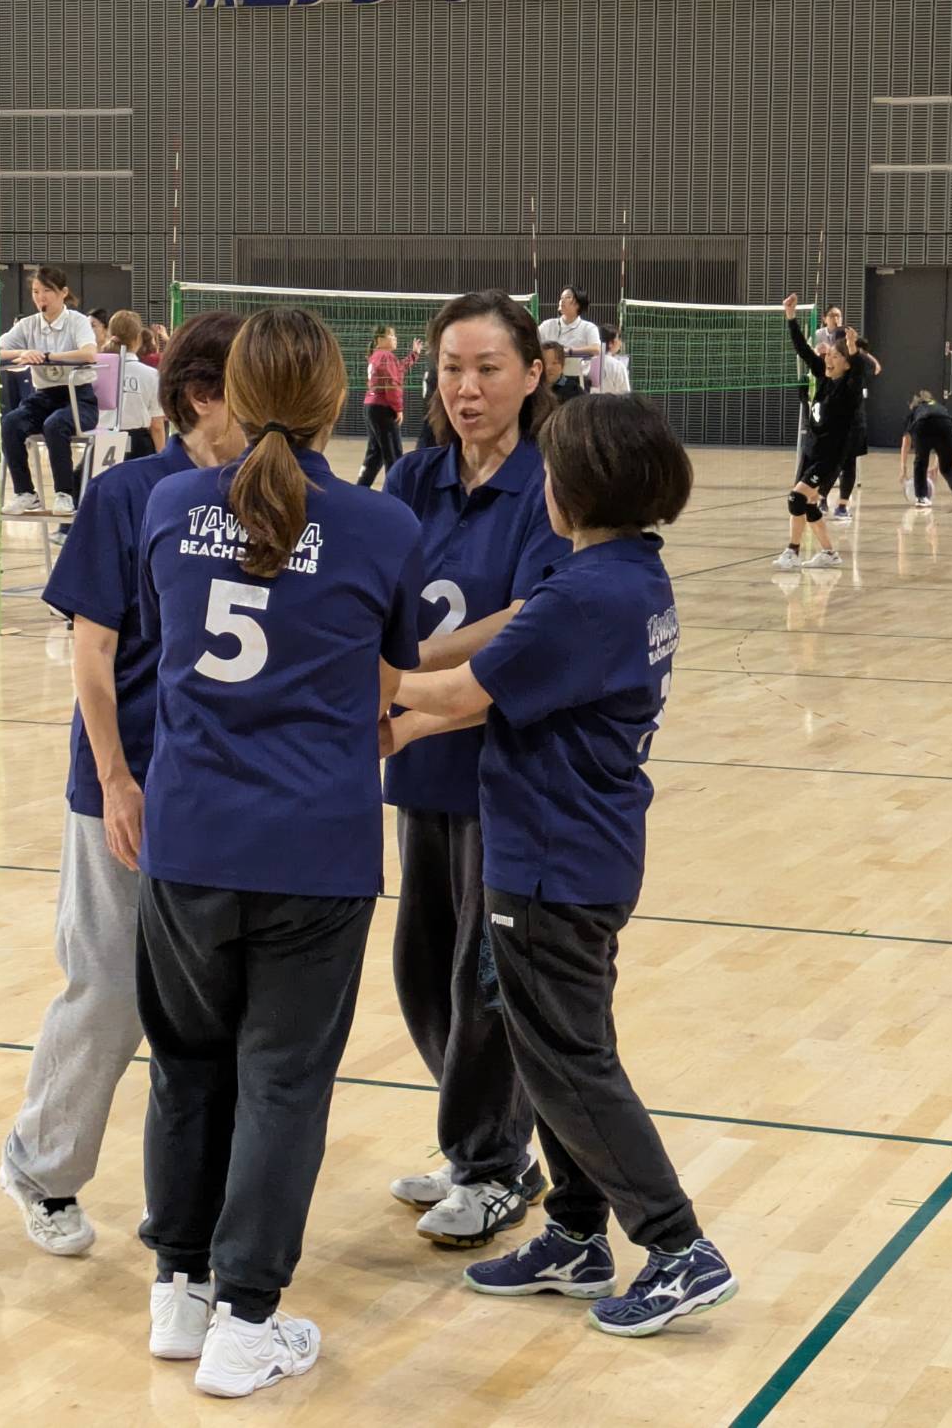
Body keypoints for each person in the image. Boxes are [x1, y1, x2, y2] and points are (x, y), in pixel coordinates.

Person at [385, 393, 737, 1338]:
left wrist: (371, 680)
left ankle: (678, 1245)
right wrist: (404, 725)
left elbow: (464, 687)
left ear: (571, 490)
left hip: (549, 861)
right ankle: (577, 1232)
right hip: (586, 849)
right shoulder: (628, 575)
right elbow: (496, 694)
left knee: (571, 1061)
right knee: (550, 1053)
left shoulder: (580, 596)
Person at [135, 307, 423, 1399]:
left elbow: (172, 639)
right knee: (283, 1081)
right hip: (314, 846)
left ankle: (179, 1290)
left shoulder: (169, 505)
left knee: (185, 1064)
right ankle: (246, 1320)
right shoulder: (381, 526)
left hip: (189, 839)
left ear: (236, 395)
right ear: (337, 401)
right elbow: (388, 686)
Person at [0, 311, 246, 1258]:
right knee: (107, 983)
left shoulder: (270, 496)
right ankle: (41, 1166)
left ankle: (195, 1198)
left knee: (213, 1004)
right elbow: (92, 650)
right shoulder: (128, 495)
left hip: (226, 788)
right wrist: (114, 776)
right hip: (128, 776)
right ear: (203, 397)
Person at [382, 290, 569, 1247]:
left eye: (488, 368)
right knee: (421, 969)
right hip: (420, 762)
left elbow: (530, 619)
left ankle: (491, 1162)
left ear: (532, 374)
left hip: (504, 768)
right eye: (452, 368)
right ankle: (486, 1144)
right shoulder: (411, 478)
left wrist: (408, 671)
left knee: (480, 976)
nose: (466, 388)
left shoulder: (549, 485)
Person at [774, 292, 870, 571]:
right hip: (812, 451)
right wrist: (791, 316)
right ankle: (829, 553)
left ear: (846, 363)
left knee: (796, 498)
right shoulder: (825, 377)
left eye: (836, 356)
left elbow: (859, 372)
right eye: (830, 354)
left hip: (829, 457)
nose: (829, 358)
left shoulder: (849, 390)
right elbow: (804, 350)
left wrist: (852, 349)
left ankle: (792, 552)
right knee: (809, 505)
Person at [0, 265, 99, 516]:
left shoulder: (77, 321)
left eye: (47, 291)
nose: (40, 297)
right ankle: (25, 493)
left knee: (55, 425)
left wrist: (48, 356)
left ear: (63, 292)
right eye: (35, 291)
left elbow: (89, 353)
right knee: (11, 422)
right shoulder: (28, 325)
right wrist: (24, 352)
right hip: (43, 397)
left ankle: (64, 494)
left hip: (78, 398)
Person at [822, 337, 882, 522]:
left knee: (848, 464)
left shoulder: (858, 371)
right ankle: (822, 499)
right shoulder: (833, 371)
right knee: (832, 464)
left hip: (853, 425)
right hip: (834, 425)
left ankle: (841, 506)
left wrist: (855, 350)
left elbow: (875, 367)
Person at [358, 323, 423, 486]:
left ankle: (361, 486)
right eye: (392, 335)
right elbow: (392, 384)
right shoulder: (386, 356)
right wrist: (398, 409)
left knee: (376, 453)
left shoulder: (376, 356)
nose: (395, 338)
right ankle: (395, 492)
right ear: (380, 339)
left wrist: (414, 354)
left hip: (371, 406)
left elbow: (398, 369)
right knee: (393, 453)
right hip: (383, 409)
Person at [102, 310, 167, 457]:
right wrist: (162, 457)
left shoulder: (97, 370)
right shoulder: (151, 375)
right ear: (138, 338)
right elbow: (156, 425)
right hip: (139, 445)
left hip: (103, 440)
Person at [902, 391, 952, 509]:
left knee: (920, 463)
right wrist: (936, 465)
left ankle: (921, 497)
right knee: (948, 466)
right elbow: (939, 436)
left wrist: (903, 466)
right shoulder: (938, 407)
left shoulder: (916, 410)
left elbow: (906, 440)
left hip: (923, 424)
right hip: (945, 424)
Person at [537, 287, 601, 387]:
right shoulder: (547, 325)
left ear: (578, 304)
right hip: (548, 378)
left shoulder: (588, 327)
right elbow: (532, 343)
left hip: (576, 379)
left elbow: (596, 349)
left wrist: (569, 351)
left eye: (568, 297)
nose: (562, 301)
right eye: (561, 298)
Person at [598, 324, 632, 394]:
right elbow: (625, 394)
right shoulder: (618, 366)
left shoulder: (586, 362)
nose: (620, 343)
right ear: (610, 343)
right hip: (611, 401)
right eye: (618, 339)